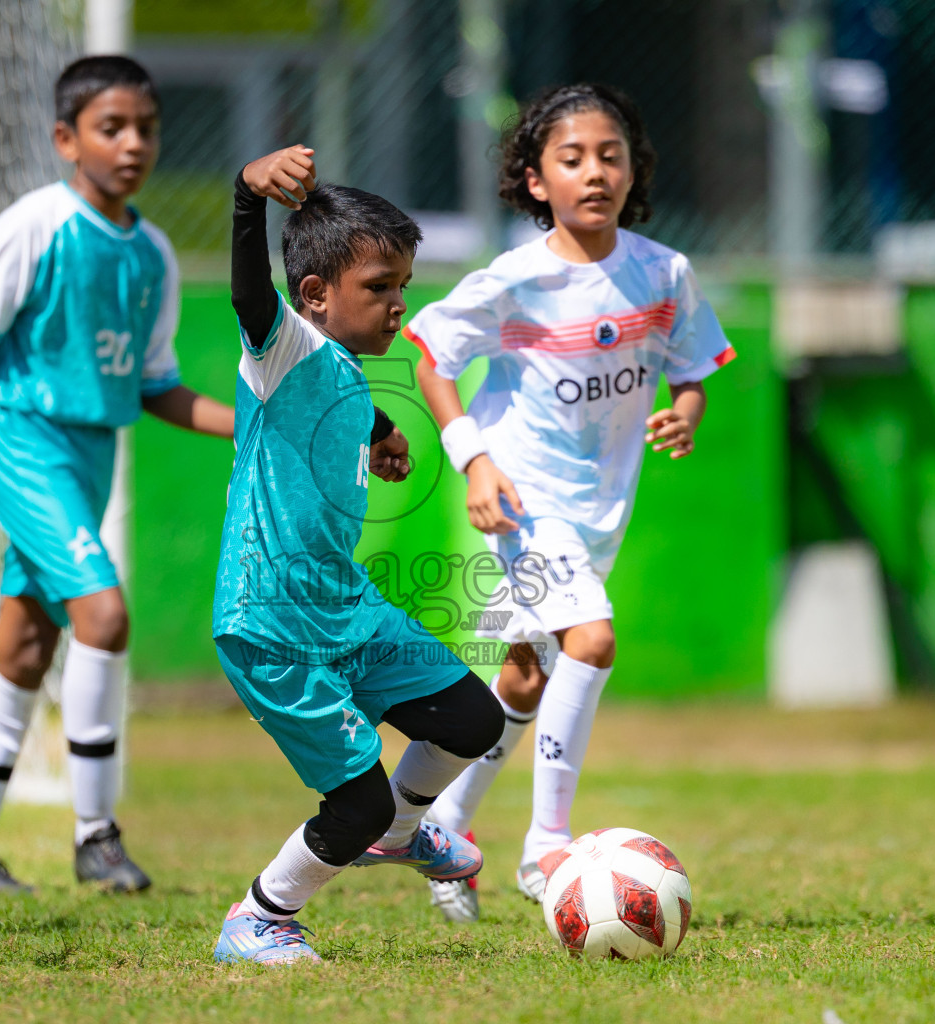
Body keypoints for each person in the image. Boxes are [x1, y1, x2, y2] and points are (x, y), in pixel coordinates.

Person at [0, 55, 233, 894]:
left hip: (91, 455)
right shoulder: (35, 225)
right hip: (18, 440)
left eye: (146, 129)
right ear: (67, 139)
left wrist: (257, 423)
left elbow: (158, 388)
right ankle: (97, 836)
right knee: (102, 615)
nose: (133, 144)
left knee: (27, 645)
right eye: (112, 128)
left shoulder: (153, 255)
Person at [405, 83, 736, 922]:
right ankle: (546, 847)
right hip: (523, 499)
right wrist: (476, 462)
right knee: (591, 639)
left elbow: (693, 369)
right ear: (535, 179)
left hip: (599, 511)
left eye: (610, 156)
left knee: (523, 678)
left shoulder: (664, 274)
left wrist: (686, 413)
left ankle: (444, 827)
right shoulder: (517, 280)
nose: (595, 172)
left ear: (634, 171)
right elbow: (433, 360)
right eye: (572, 158)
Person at [210, 145, 504, 966]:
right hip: (273, 626)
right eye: (379, 287)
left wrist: (383, 430)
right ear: (314, 295)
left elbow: (341, 399)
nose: (398, 305)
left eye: (403, 286)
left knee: (473, 719)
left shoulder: (339, 366)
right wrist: (246, 197)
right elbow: (248, 294)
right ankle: (259, 919)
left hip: (344, 608)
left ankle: (403, 832)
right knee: (357, 803)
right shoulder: (281, 347)